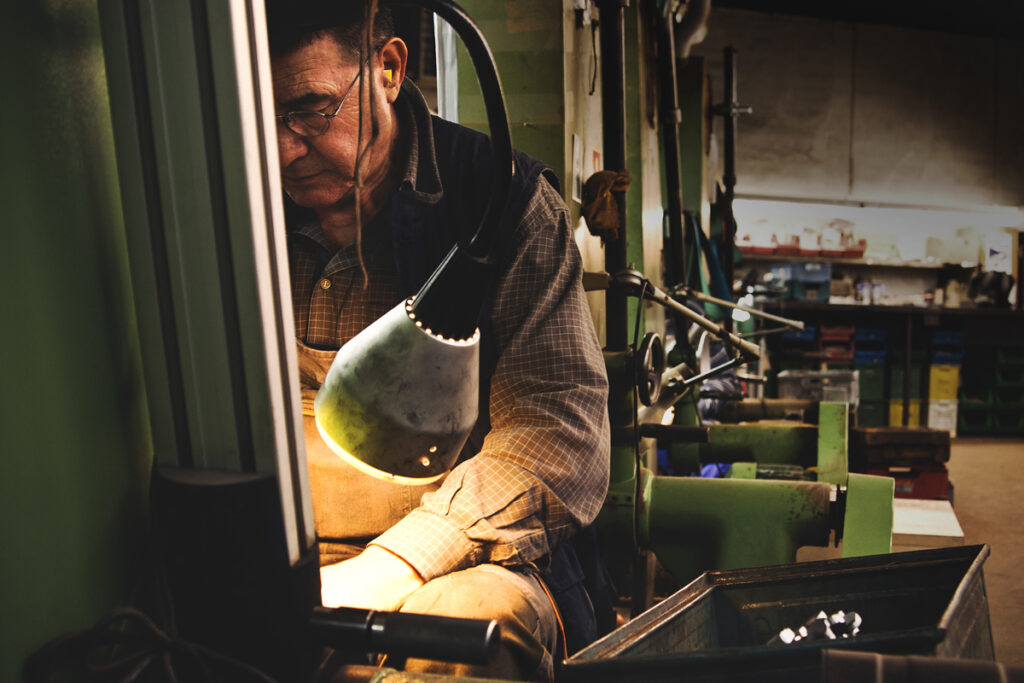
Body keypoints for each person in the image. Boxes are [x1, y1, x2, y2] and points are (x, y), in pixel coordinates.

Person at [267, 3, 611, 679]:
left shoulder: (500, 202)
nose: (283, 148)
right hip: (288, 553)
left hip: (468, 554)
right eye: (262, 117)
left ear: (388, 68)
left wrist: (399, 559)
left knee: (468, 624)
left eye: (310, 109)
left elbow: (558, 432)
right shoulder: (234, 208)